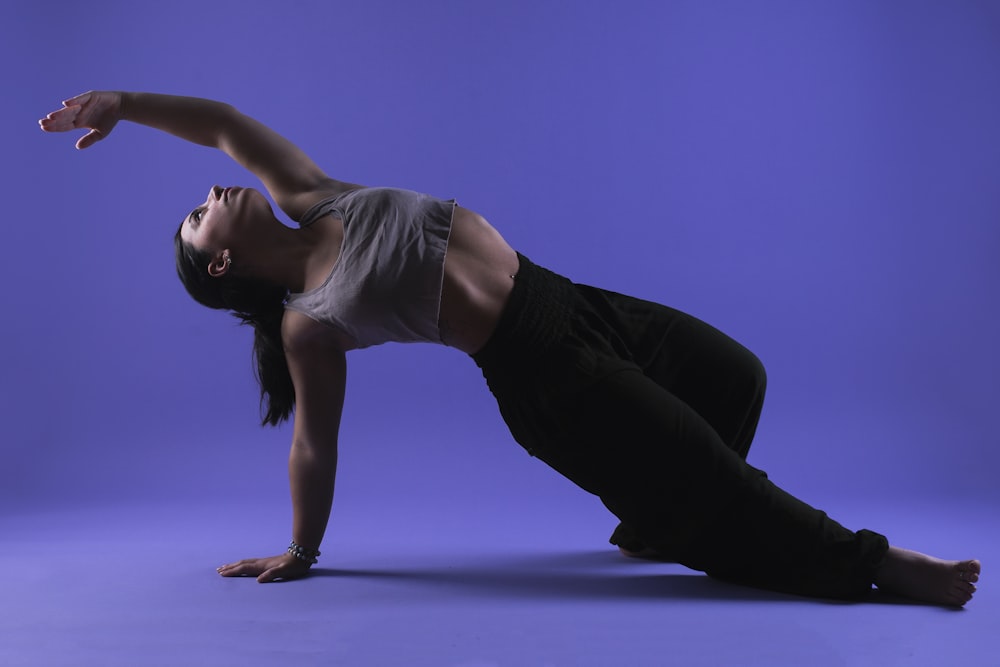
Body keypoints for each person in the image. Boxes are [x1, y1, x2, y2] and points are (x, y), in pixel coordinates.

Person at [40, 91, 980, 606]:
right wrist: (301, 547)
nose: (213, 192)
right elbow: (312, 444)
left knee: (737, 376)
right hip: (548, 377)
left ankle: (664, 517)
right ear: (221, 266)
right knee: (719, 482)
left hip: (573, 300)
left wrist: (122, 102)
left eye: (204, 195)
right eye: (199, 216)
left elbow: (224, 125)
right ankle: (877, 564)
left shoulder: (310, 193)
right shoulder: (307, 322)